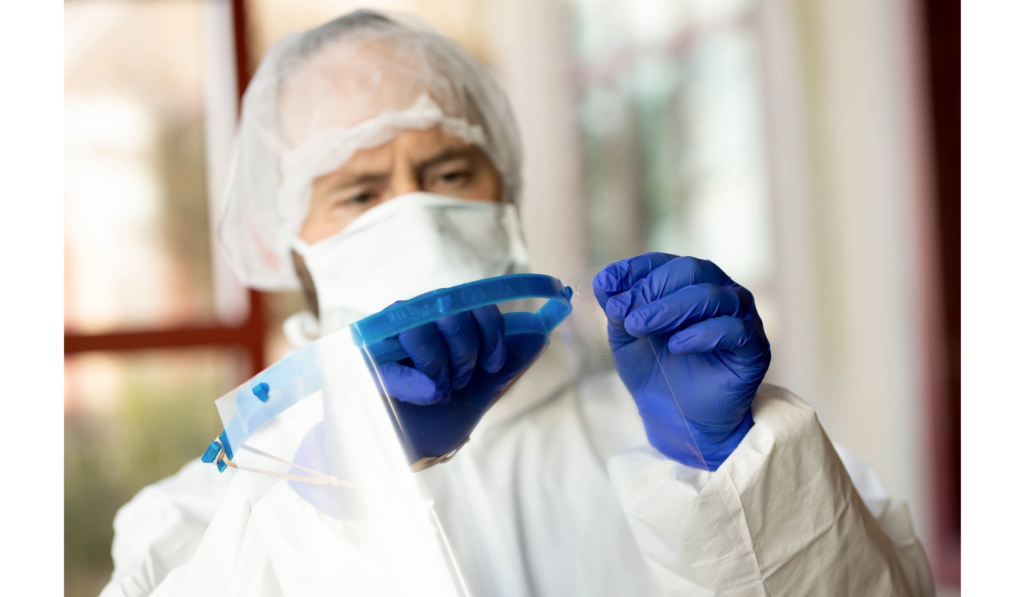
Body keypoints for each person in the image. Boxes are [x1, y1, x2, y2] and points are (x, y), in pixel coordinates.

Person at [100, 10, 934, 597]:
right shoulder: (209, 510)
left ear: (508, 191)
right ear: (290, 245)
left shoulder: (665, 432)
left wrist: (740, 479)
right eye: (359, 191)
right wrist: (346, 479)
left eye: (450, 174)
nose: (415, 213)